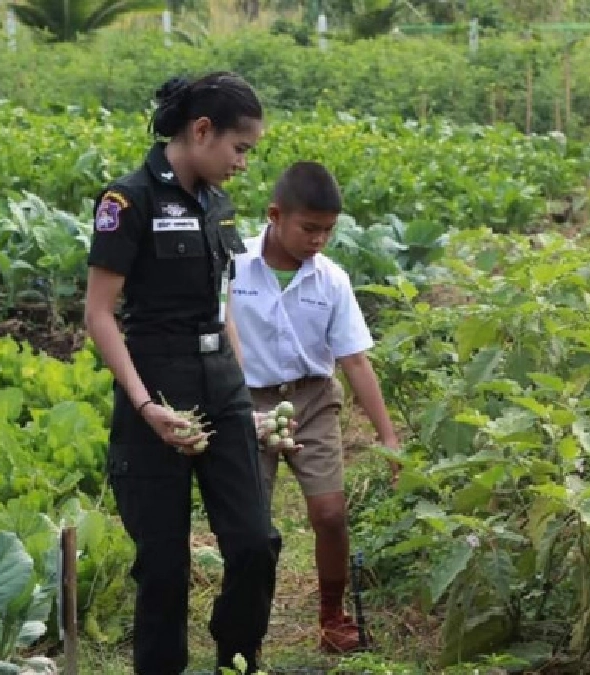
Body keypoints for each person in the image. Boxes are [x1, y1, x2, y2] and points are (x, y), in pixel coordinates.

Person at [83, 72, 280, 675]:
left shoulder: (218, 204)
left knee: (255, 543)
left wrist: (244, 399)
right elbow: (99, 313)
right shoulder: (129, 200)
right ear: (201, 131)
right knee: (164, 566)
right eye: (239, 148)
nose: (243, 163)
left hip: (220, 385)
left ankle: (236, 660)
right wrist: (145, 406)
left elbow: (224, 306)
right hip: (156, 385)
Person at [231, 161, 401, 654]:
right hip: (247, 402)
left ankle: (331, 615)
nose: (318, 240)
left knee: (329, 513)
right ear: (275, 216)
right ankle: (245, 624)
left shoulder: (332, 281)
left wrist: (388, 435)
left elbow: (355, 361)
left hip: (312, 400)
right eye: (309, 228)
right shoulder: (234, 267)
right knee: (251, 523)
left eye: (328, 230)